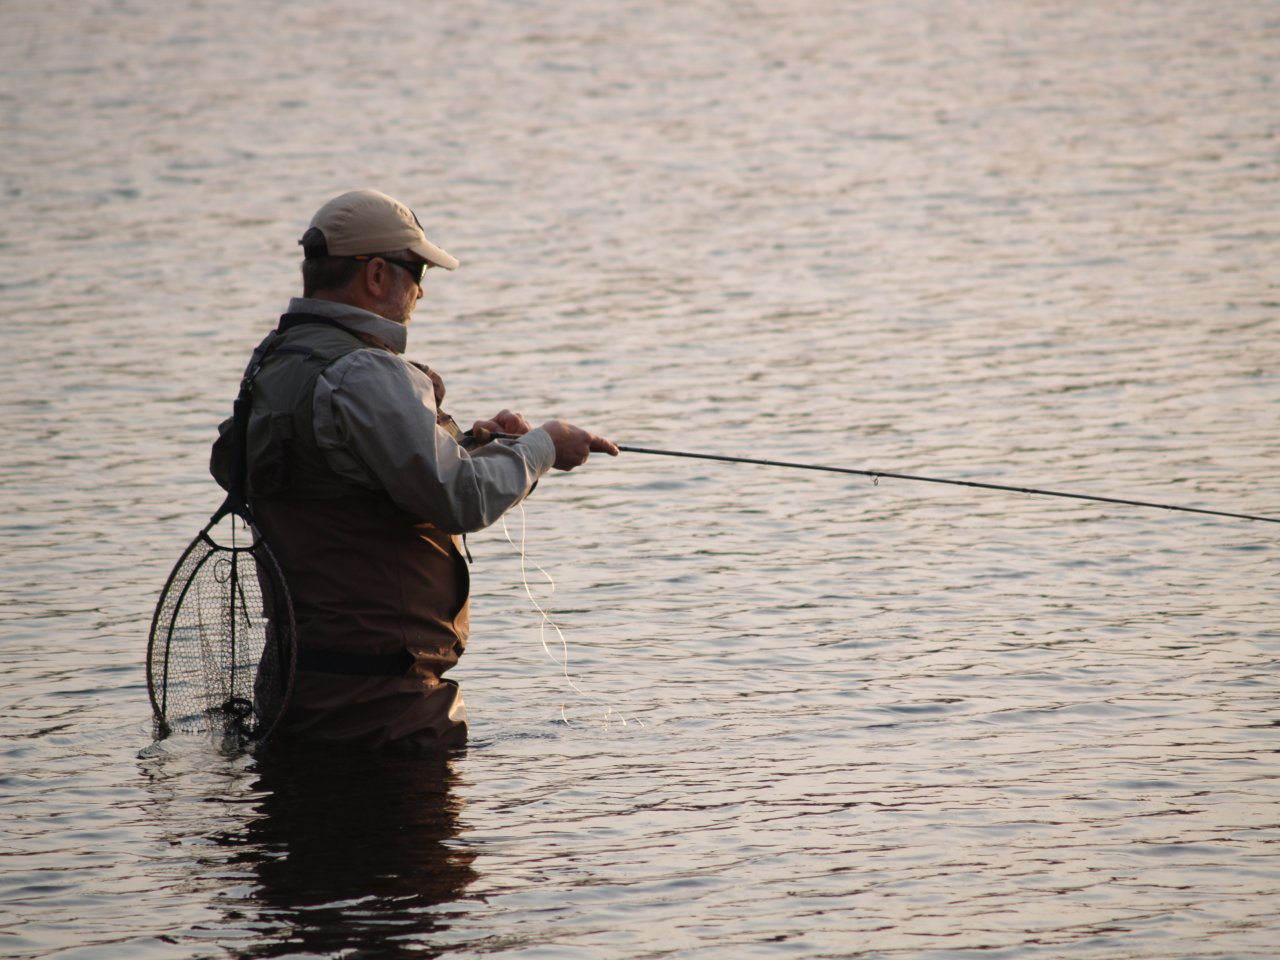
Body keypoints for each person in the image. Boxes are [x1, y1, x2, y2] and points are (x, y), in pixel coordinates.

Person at [211, 188, 617, 753]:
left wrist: (477, 443)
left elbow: (347, 483)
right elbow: (460, 500)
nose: (422, 288)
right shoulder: (363, 374)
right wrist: (544, 445)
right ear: (376, 274)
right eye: (417, 269)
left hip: (300, 695)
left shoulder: (278, 360)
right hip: (380, 711)